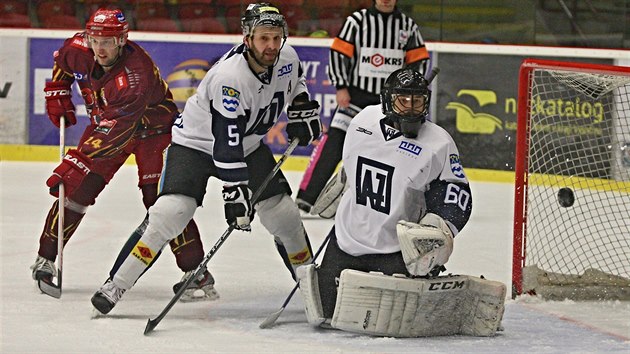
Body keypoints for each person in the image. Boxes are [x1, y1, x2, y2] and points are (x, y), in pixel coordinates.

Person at [90, 2, 322, 315]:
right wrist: (234, 193)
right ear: (247, 38)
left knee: (284, 215)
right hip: (196, 146)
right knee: (171, 213)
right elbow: (227, 141)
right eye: (263, 38)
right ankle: (115, 284)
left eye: (276, 38)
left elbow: (295, 81)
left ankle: (311, 287)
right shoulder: (229, 77)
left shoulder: (287, 57)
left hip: (249, 146)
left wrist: (301, 106)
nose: (271, 46)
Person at [296, 68, 503, 337]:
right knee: (324, 314)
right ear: (386, 101)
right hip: (347, 240)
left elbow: (458, 196)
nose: (411, 108)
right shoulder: (363, 120)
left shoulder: (438, 143)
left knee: (402, 323)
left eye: (418, 101)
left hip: (396, 251)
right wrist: (344, 182)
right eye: (403, 100)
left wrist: (436, 230)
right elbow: (352, 163)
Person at [30, 8, 218, 302]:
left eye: (108, 41)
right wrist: (57, 90)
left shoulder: (135, 76)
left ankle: (195, 270)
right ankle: (45, 259)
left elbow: (116, 129)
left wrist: (77, 161)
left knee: (161, 201)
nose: (100, 48)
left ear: (122, 40)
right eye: (95, 40)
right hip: (107, 125)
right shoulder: (80, 48)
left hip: (152, 132)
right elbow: (64, 63)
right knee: (77, 190)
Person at [296, 0, 430, 214]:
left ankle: (392, 203)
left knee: (392, 152)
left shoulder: (408, 26)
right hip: (355, 98)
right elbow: (339, 54)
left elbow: (419, 60)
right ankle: (307, 198)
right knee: (334, 145)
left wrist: (409, 92)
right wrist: (341, 86)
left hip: (390, 103)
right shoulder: (357, 21)